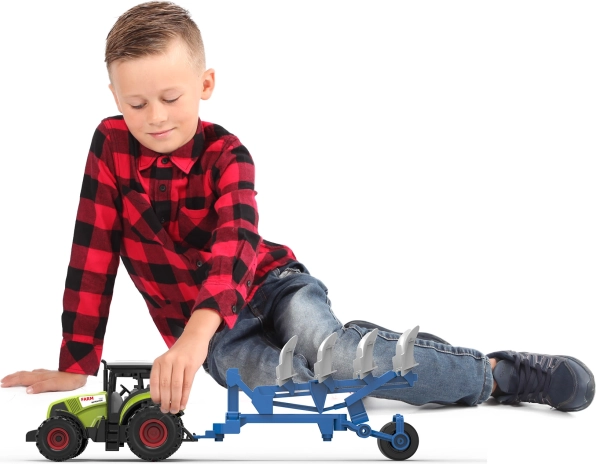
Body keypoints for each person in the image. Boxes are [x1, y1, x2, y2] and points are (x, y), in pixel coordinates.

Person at [1, 1, 593, 416]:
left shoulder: (229, 154)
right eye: (135, 103)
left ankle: (493, 374)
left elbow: (234, 244)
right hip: (218, 339)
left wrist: (194, 335)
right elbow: (92, 252)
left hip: (271, 287)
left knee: (340, 355)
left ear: (205, 84)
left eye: (170, 97)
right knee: (299, 389)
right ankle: (385, 361)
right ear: (113, 97)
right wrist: (77, 361)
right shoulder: (109, 146)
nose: (155, 117)